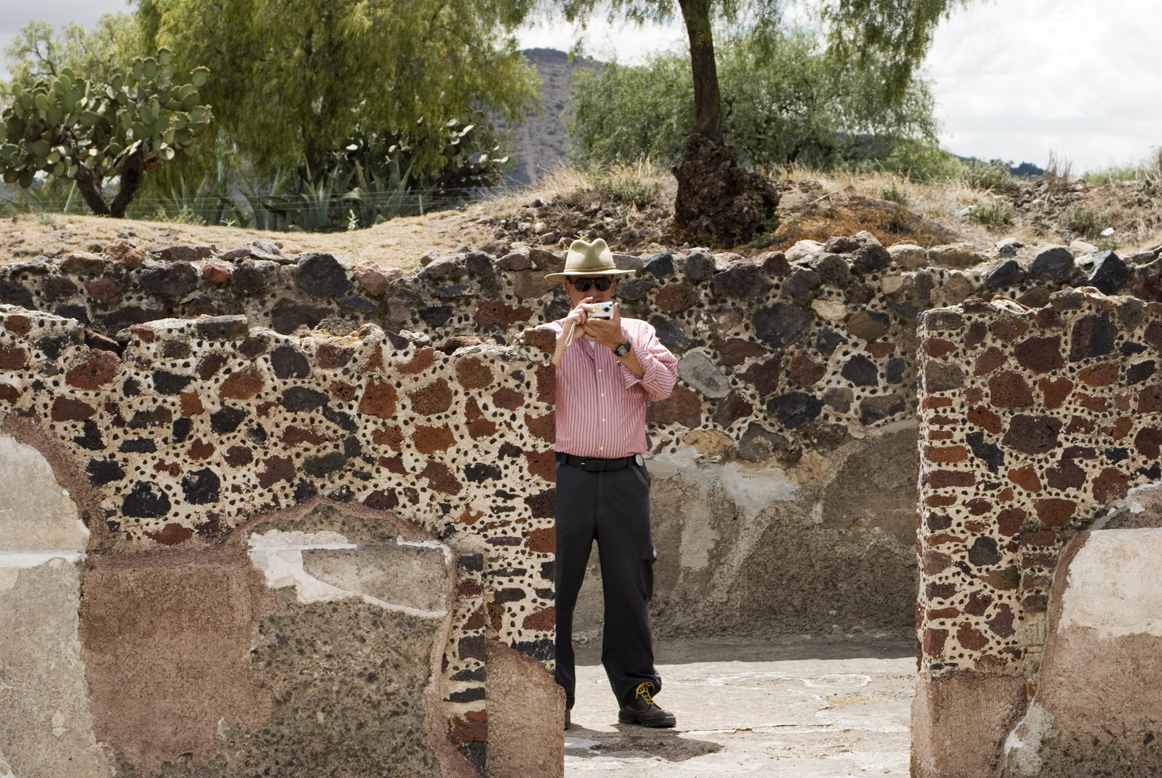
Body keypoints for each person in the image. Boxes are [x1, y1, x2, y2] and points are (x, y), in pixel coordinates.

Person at [538, 238, 679, 730]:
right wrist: (566, 340)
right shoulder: (548, 334)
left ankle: (637, 695)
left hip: (623, 476)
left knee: (630, 590)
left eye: (602, 283)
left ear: (615, 286)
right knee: (554, 591)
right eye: (583, 284)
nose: (592, 291)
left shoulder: (638, 332)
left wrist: (618, 345)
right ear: (568, 290)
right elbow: (529, 390)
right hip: (565, 477)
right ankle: (554, 698)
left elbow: (662, 388)